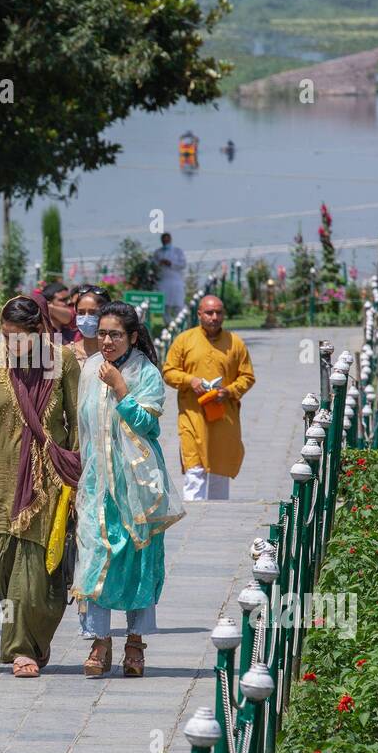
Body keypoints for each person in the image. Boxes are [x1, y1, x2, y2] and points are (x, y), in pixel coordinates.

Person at [0, 295, 81, 678]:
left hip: (49, 477)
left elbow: (77, 419)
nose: (12, 345)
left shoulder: (61, 361)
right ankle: (30, 637)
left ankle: (21, 648)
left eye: (20, 337)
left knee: (38, 566)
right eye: (6, 336)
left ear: (40, 330)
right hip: (1, 476)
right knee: (2, 558)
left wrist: (78, 472)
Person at [74, 302, 184, 678]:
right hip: (98, 482)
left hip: (138, 485)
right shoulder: (89, 369)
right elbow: (84, 430)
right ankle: (99, 641)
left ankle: (135, 642)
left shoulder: (147, 373)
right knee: (95, 556)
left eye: (115, 334)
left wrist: (122, 390)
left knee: (139, 559)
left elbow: (147, 427)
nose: (106, 340)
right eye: (102, 333)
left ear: (132, 337)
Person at [162, 294, 255, 501]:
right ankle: (194, 512)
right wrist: (190, 381)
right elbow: (168, 372)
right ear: (199, 314)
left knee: (220, 468)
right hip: (193, 415)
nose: (214, 317)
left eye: (218, 313)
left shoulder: (235, 343)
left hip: (224, 416)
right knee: (194, 468)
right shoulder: (185, 340)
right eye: (209, 312)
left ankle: (217, 516)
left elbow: (247, 376)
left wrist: (228, 391)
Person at [68, 285, 111, 363]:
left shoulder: (114, 354)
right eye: (81, 313)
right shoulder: (65, 353)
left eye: (93, 313)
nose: (86, 319)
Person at [153, 232, 187, 325]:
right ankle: (168, 326)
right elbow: (153, 266)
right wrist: (160, 263)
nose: (165, 241)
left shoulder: (177, 251)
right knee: (165, 306)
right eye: (163, 240)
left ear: (170, 239)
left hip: (176, 281)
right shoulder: (158, 252)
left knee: (178, 305)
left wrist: (171, 263)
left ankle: (181, 325)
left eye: (167, 239)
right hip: (163, 282)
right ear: (161, 241)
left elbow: (183, 264)